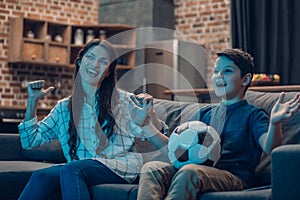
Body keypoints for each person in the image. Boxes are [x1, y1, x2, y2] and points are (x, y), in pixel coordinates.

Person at [134, 48, 300, 200]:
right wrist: (146, 124)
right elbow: (175, 148)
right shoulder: (204, 114)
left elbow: (270, 147)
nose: (219, 76)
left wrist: (274, 122)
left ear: (245, 79)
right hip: (196, 169)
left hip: (232, 176)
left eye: (227, 71)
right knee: (152, 168)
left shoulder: (253, 115)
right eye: (216, 71)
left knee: (189, 172)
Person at [18, 39, 168, 200]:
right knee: (42, 176)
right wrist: (32, 101)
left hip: (121, 166)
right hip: (83, 166)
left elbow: (161, 141)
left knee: (72, 169)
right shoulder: (64, 108)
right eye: (90, 57)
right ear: (81, 61)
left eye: (103, 62)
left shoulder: (125, 102)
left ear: (108, 71)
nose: (95, 65)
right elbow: (30, 141)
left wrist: (149, 117)